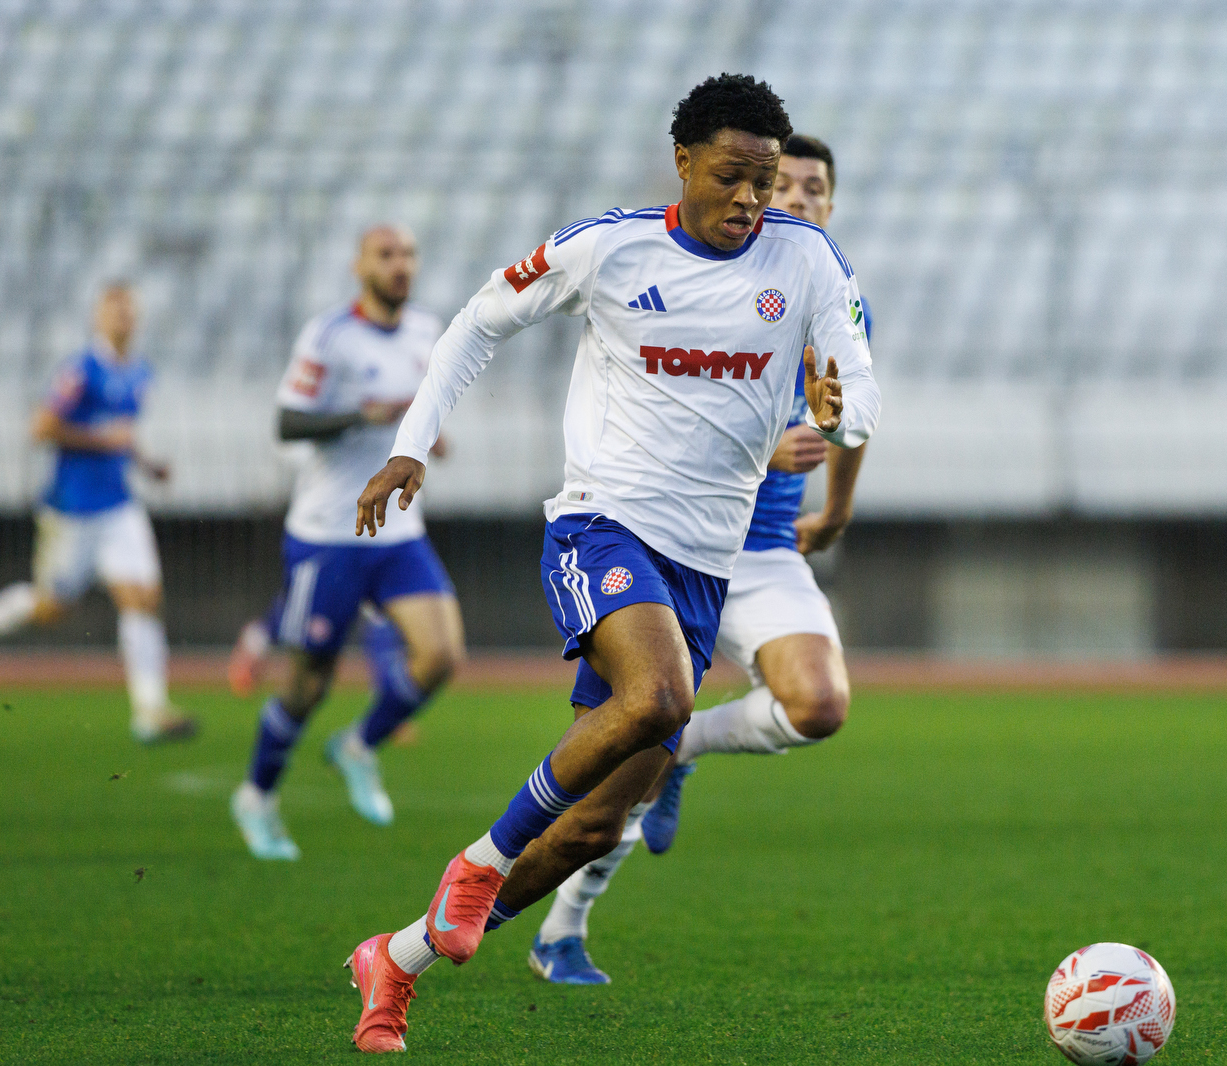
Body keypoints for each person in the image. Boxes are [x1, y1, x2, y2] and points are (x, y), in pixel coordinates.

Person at [343, 74, 880, 1053]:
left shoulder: (804, 261)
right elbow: (474, 322)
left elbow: (857, 386)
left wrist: (845, 413)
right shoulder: (610, 247)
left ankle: (399, 959)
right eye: (733, 177)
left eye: (765, 181)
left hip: (707, 568)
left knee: (592, 830)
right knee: (663, 696)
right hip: (603, 527)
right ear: (683, 162)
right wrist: (413, 442)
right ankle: (476, 867)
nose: (752, 200)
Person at [527, 133, 872, 985]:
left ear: (830, 207)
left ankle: (689, 745)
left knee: (820, 704)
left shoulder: (827, 290)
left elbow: (854, 408)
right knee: (619, 773)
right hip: (661, 544)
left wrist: (836, 501)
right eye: (778, 181)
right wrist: (764, 451)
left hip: (758, 552)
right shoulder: (695, 280)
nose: (793, 196)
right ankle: (559, 932)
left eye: (812, 188)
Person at [229, 225, 465, 861]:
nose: (400, 266)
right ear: (360, 265)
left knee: (441, 654)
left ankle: (359, 745)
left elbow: (424, 406)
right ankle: (257, 797)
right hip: (330, 533)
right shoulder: (328, 336)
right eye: (387, 255)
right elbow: (287, 419)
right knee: (309, 683)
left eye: (409, 254)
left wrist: (424, 433)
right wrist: (365, 413)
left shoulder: (426, 330)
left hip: (398, 532)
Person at [0, 282, 195, 743]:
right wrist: (105, 441)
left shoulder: (140, 373)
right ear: (98, 318)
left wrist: (146, 465)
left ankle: (149, 710)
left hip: (119, 506)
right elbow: (41, 427)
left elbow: (122, 434)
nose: (122, 317)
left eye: (128, 310)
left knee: (142, 595)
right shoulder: (80, 371)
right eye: (114, 310)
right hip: (73, 510)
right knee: (50, 607)